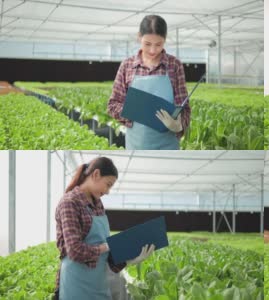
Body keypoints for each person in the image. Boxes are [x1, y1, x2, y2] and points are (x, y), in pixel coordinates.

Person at [54, 157, 155, 300]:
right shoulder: (70, 203)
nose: (108, 191)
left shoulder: (98, 204)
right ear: (95, 175)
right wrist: (106, 246)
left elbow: (104, 256)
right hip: (76, 284)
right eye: (108, 185)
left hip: (99, 283)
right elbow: (75, 251)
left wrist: (129, 260)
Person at [108, 15, 191, 150]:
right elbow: (112, 105)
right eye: (147, 44)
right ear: (139, 37)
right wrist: (136, 112)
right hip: (136, 145)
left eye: (158, 44)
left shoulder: (174, 65)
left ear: (165, 39)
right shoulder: (127, 66)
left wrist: (179, 125)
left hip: (168, 146)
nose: (153, 50)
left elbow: (185, 108)